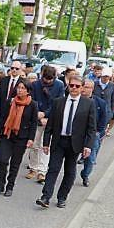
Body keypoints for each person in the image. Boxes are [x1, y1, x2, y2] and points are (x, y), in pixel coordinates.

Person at [36, 74, 96, 209]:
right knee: (53, 169)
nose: (74, 88)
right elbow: (50, 125)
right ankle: (45, 197)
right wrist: (46, 143)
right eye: (71, 85)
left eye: (77, 86)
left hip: (75, 143)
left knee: (70, 172)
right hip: (59, 141)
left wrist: (88, 146)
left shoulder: (88, 104)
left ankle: (62, 197)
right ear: (68, 86)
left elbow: (91, 128)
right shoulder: (59, 102)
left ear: (81, 88)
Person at [0, 81, 37, 197]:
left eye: (23, 88)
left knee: (15, 164)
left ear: (28, 91)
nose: (20, 90)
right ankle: (0, 185)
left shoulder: (32, 105)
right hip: (7, 135)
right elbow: (2, 118)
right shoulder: (10, 102)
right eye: (19, 88)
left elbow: (33, 123)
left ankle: (10, 186)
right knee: (2, 160)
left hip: (22, 137)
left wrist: (31, 139)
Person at [27, 65, 65, 183]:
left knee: (45, 145)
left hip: (50, 119)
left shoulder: (59, 85)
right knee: (34, 144)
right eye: (45, 79)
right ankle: (33, 167)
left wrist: (46, 114)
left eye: (50, 79)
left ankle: (42, 171)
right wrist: (38, 113)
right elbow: (32, 100)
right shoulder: (35, 85)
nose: (47, 81)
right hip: (37, 117)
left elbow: (58, 103)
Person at [0, 60, 25, 174]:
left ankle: (4, 161)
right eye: (12, 68)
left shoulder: (23, 83)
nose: (14, 70)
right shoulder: (4, 81)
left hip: (14, 114)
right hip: (2, 113)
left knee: (7, 138)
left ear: (20, 70)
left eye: (16, 69)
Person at [79, 79, 108, 187]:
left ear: (92, 89)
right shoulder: (75, 100)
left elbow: (103, 119)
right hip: (77, 133)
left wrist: (98, 132)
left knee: (90, 159)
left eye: (87, 87)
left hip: (92, 134)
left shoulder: (100, 103)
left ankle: (85, 175)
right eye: (83, 86)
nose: (83, 89)